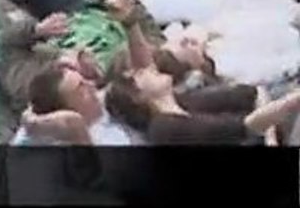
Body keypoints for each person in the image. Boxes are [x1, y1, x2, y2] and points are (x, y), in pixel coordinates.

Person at [106, 65, 300, 145]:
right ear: (137, 97)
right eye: (139, 74)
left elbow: (252, 93)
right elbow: (245, 127)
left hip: (276, 128)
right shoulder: (165, 128)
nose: (149, 68)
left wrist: (269, 134)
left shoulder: (184, 101)